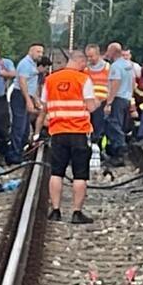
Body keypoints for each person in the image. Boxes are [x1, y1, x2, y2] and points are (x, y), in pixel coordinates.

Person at [35, 53, 97, 224]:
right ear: (80, 61)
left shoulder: (51, 79)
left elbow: (45, 107)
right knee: (80, 174)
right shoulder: (83, 79)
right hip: (79, 132)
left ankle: (55, 210)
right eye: (85, 63)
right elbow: (91, 107)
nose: (85, 66)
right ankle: (77, 212)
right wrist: (97, 101)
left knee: (56, 172)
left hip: (57, 132)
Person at [10, 42, 45, 160]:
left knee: (25, 127)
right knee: (19, 126)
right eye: (38, 51)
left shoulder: (32, 64)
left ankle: (20, 152)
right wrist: (28, 100)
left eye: (41, 52)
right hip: (20, 96)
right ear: (31, 51)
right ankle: (15, 154)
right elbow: (22, 82)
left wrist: (35, 99)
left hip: (26, 95)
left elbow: (31, 85)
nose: (40, 54)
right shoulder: (25, 64)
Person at [102, 42, 133, 167]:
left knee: (113, 124)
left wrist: (109, 102)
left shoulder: (115, 66)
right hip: (125, 98)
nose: (107, 54)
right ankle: (114, 150)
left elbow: (116, 83)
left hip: (117, 98)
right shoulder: (128, 65)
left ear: (113, 52)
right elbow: (132, 81)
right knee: (118, 124)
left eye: (108, 51)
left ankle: (119, 152)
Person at [83, 43, 110, 157]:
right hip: (89, 103)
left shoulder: (108, 68)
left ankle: (99, 149)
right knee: (89, 126)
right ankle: (89, 149)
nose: (89, 59)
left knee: (100, 128)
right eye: (87, 56)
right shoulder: (85, 70)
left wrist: (107, 101)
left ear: (98, 55)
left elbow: (111, 85)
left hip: (103, 102)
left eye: (91, 56)